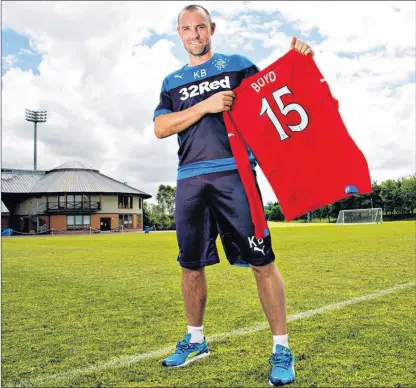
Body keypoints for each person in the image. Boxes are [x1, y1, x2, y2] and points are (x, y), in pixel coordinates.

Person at [153, 4, 314, 386]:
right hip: (190, 179)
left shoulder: (238, 65)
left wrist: (299, 62)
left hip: (235, 175)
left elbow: (278, 92)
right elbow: (161, 127)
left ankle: (281, 348)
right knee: (190, 265)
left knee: (263, 261)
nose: (194, 34)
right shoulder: (171, 81)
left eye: (201, 27)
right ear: (179, 34)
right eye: (187, 29)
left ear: (213, 28)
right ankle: (195, 341)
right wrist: (205, 105)